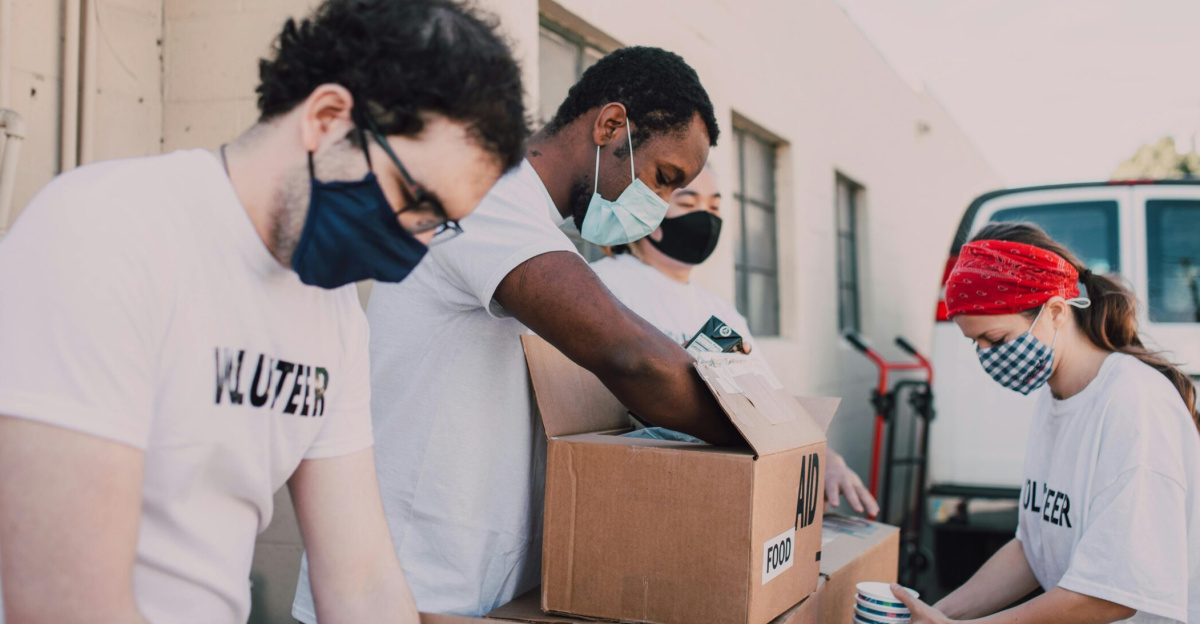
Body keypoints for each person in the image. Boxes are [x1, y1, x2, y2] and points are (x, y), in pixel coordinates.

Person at [0, 1, 527, 622]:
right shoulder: (103, 233)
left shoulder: (331, 314)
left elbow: (360, 583)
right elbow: (65, 608)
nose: (413, 243)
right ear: (328, 118)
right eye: (416, 201)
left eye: (438, 225)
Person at [293, 46, 736, 620]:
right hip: (400, 587)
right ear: (610, 125)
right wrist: (761, 429)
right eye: (663, 178)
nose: (660, 207)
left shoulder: (539, 229)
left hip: (467, 588)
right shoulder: (486, 199)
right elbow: (632, 358)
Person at [893, 223, 1199, 624]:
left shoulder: (1133, 403)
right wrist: (935, 614)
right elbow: (1033, 547)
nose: (987, 357)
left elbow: (1113, 594)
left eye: (996, 340)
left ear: (1055, 311)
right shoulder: (1056, 395)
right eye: (976, 344)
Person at [590, 165, 880, 517]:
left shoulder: (722, 310)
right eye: (689, 203)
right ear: (649, 208)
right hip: (632, 486)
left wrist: (826, 456)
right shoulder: (603, 285)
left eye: (714, 207)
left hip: (714, 490)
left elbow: (770, 401)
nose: (706, 217)